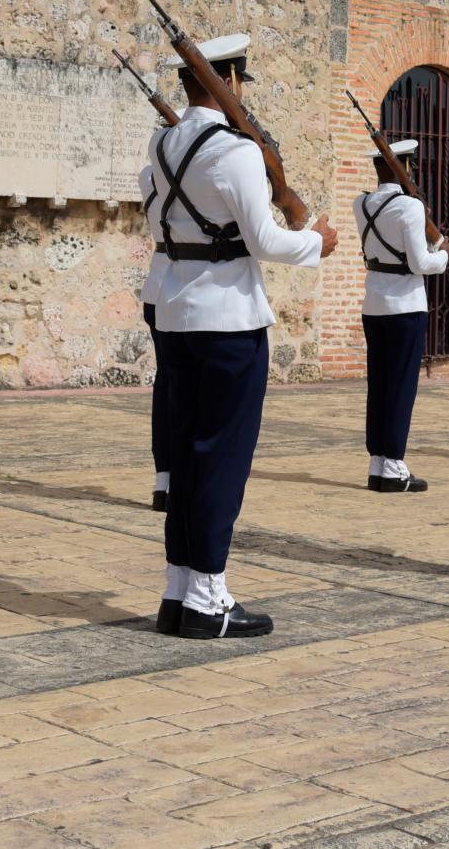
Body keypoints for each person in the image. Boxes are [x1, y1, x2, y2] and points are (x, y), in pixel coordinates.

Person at [147, 33, 336, 638]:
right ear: (228, 81)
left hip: (176, 313)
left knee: (185, 455)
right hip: (228, 321)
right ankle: (207, 594)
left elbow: (156, 216)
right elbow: (266, 242)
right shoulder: (235, 152)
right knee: (221, 458)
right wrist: (318, 244)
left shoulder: (162, 142)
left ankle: (179, 590)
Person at [352, 138, 449, 493]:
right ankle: (393, 465)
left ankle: (378, 461)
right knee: (401, 387)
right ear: (406, 167)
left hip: (374, 304)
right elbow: (420, 263)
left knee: (379, 384)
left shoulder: (360, 203)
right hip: (406, 306)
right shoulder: (409, 206)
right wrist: (444, 256)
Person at [139, 159, 172, 510]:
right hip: (183, 287)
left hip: (157, 285)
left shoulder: (149, 173)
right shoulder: (197, 170)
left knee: (166, 388)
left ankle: (164, 479)